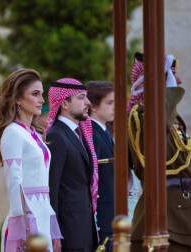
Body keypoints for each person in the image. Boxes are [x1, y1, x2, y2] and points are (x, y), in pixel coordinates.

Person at [128, 52, 191, 252]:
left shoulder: (169, 117)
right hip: (168, 216)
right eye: (172, 75)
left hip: (183, 216)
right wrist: (168, 92)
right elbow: (158, 128)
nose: (179, 81)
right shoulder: (141, 114)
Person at [0, 69, 62, 252]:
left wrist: (53, 229)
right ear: (17, 99)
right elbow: (15, 182)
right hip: (27, 223)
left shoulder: (34, 133)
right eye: (35, 94)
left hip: (43, 218)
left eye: (42, 94)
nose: (42, 100)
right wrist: (24, 228)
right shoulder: (12, 133)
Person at [46, 78, 99, 252]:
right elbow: (52, 188)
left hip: (83, 229)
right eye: (81, 97)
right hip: (68, 232)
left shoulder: (77, 134)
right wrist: (54, 233)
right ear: (65, 104)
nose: (88, 103)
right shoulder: (56, 136)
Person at [86, 81, 114, 252]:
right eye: (109, 103)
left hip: (111, 212)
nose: (114, 108)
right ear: (93, 106)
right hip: (101, 215)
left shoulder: (103, 132)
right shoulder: (92, 134)